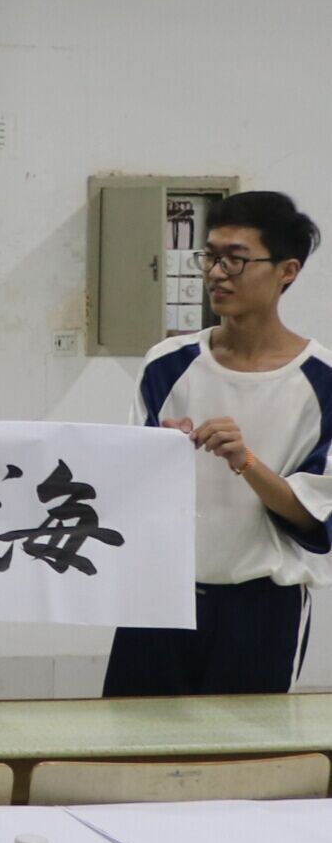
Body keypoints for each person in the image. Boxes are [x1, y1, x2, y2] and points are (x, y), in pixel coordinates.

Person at [103, 191, 329, 697]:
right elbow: (127, 485)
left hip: (262, 606)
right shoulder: (167, 362)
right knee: (131, 737)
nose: (217, 274)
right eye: (210, 256)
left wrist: (246, 461)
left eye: (236, 260)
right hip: (161, 596)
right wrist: (154, 455)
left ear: (287, 271)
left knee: (244, 745)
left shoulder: (322, 381)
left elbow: (313, 514)